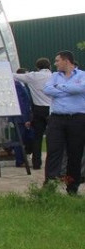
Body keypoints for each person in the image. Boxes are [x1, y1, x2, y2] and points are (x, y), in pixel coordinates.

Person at [42, 51, 85, 194]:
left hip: (77, 119)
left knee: (75, 154)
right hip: (56, 119)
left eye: (57, 61)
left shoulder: (82, 75)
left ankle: (72, 188)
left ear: (66, 61)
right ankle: (50, 186)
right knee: (53, 152)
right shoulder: (54, 76)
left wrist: (59, 87)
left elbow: (81, 88)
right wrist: (70, 90)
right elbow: (47, 90)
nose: (55, 64)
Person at [14, 57, 53, 170]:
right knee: (52, 138)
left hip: (38, 110)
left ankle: (36, 163)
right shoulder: (54, 76)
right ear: (49, 66)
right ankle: (52, 163)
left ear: (37, 67)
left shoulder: (33, 76)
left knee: (37, 137)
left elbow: (15, 75)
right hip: (52, 109)